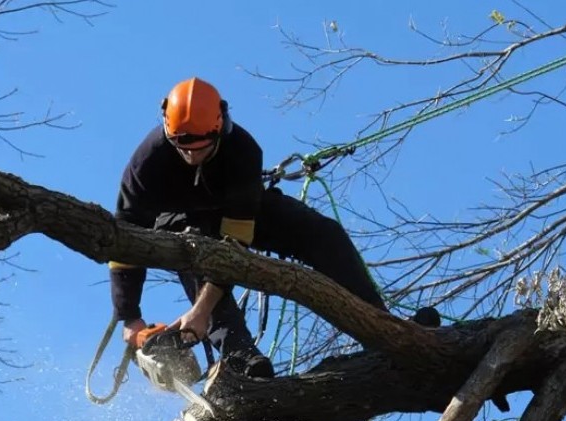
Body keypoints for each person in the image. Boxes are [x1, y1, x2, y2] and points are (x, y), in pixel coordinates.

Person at [109, 77, 433, 380]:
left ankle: (384, 326)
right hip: (179, 224)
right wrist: (130, 316)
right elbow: (124, 236)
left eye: (200, 146)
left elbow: (234, 245)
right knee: (194, 248)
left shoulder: (242, 151)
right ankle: (240, 355)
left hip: (238, 214)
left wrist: (201, 311)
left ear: (220, 127)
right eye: (182, 146)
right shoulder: (147, 163)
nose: (191, 154)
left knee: (323, 234)